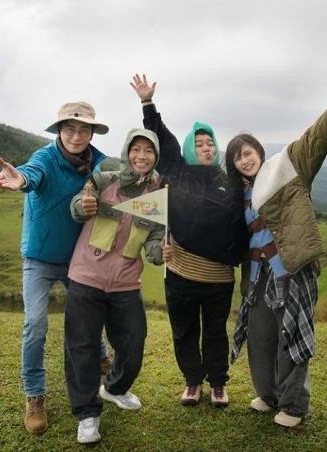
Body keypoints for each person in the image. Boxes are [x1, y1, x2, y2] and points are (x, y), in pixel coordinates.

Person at [228, 81, 327, 428]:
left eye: (248, 152)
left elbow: (312, 145)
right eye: (237, 157)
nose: (245, 160)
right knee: (260, 337)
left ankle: (294, 406)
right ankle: (269, 394)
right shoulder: (240, 193)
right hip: (259, 276)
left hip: (290, 270)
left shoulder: (285, 171)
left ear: (259, 152)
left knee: (290, 337)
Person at [0, 101, 113, 435]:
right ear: (59, 131)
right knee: (35, 325)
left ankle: (102, 357)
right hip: (40, 258)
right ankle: (35, 396)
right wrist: (21, 180)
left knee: (91, 315)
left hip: (78, 258)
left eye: (84, 129)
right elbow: (31, 174)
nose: (77, 136)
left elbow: (119, 185)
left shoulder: (99, 163)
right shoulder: (45, 157)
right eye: (70, 128)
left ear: (92, 132)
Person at [130, 74, 249, 408]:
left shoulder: (230, 183)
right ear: (188, 149)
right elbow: (162, 138)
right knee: (183, 332)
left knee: (215, 333)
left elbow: (242, 227)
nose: (206, 148)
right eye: (198, 144)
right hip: (180, 272)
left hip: (218, 278)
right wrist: (147, 103)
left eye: (209, 143)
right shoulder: (175, 170)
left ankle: (219, 384)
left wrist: (235, 257)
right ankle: (192, 382)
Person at [64, 128, 167, 444]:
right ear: (127, 151)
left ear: (155, 157)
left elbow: (152, 241)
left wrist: (158, 252)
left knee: (133, 342)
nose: (141, 156)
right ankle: (87, 414)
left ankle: (114, 388)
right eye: (136, 149)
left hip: (125, 283)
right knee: (81, 348)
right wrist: (82, 207)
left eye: (148, 151)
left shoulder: (155, 194)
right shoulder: (105, 179)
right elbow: (77, 206)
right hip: (86, 277)